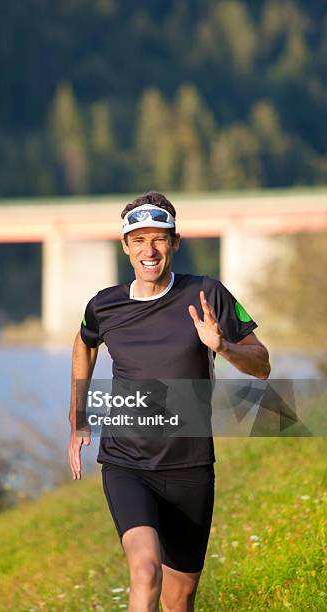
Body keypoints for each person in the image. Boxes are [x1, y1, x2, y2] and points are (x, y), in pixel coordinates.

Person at [68, 191, 271, 612]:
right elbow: (85, 344)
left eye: (159, 238)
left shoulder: (208, 294)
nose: (150, 250)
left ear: (175, 242)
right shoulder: (104, 305)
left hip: (190, 468)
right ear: (124, 247)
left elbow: (263, 365)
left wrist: (223, 347)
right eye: (138, 240)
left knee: (180, 600)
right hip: (127, 463)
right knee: (145, 572)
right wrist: (79, 417)